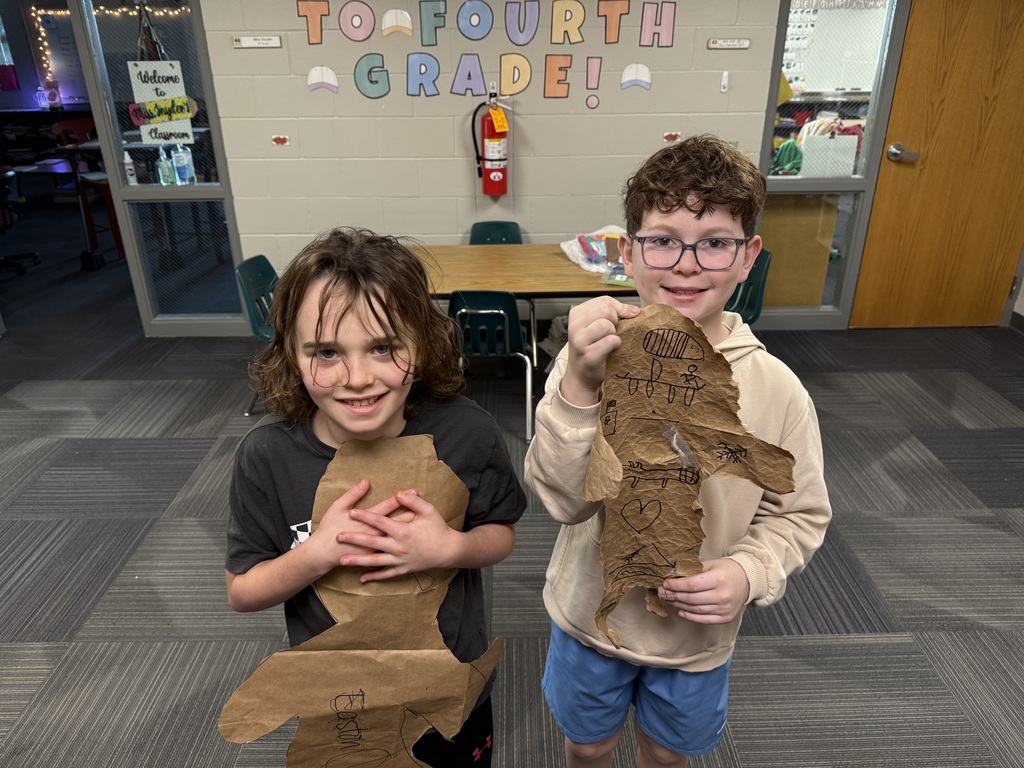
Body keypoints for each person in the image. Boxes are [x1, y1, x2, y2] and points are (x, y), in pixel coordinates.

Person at [524, 135, 831, 768]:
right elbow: (560, 501)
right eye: (663, 239)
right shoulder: (590, 360)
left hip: (695, 639)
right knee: (588, 746)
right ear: (628, 254)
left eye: (715, 242)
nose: (687, 264)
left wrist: (750, 573)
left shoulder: (776, 391)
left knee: (668, 757)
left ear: (747, 258)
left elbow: (799, 514)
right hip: (591, 621)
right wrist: (581, 385)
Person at [225, 227, 526, 767]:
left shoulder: (465, 433)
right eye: (326, 352)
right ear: (292, 356)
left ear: (422, 344)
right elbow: (244, 591)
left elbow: (500, 531)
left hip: (449, 688)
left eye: (384, 347)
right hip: (342, 699)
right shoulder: (267, 458)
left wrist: (451, 550)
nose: (358, 378)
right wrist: (316, 554)